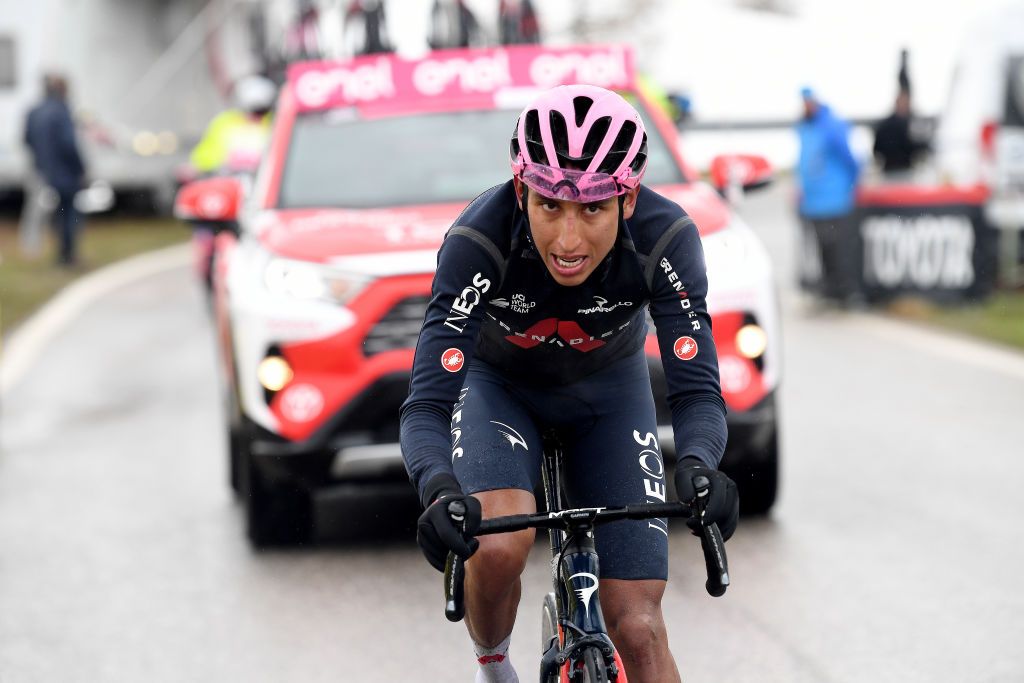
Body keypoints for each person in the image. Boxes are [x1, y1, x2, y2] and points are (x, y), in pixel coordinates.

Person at [400, 85, 738, 683]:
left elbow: (695, 391)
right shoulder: (478, 240)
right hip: (500, 386)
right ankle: (494, 666)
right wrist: (436, 487)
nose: (568, 240)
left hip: (609, 391)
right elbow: (427, 403)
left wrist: (701, 463)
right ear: (522, 190)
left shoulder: (665, 239)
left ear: (628, 200)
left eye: (592, 209)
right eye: (550, 206)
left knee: (638, 623)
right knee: (501, 543)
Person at [187, 75, 275, 291]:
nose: (256, 115)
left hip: (261, 194)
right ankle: (206, 267)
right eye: (253, 109)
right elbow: (205, 154)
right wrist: (194, 168)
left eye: (261, 110)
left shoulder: (275, 124)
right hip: (227, 191)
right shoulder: (225, 124)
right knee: (207, 229)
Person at [795, 86, 861, 305]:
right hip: (813, 202)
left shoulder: (831, 125)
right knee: (823, 249)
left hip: (835, 200)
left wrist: (851, 186)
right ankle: (830, 291)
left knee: (840, 249)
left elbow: (850, 159)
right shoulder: (805, 127)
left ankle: (846, 292)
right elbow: (804, 164)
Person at [23, 74, 86, 266]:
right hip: (64, 172)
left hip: (42, 171)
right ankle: (67, 255)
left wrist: (41, 161)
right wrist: (80, 167)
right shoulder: (61, 111)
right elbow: (68, 144)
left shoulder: (34, 111)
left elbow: (26, 139)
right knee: (67, 213)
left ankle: (37, 250)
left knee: (41, 213)